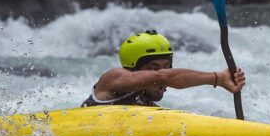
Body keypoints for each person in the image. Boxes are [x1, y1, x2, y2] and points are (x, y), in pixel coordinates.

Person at [82, 30, 245, 107]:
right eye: (153, 67)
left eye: (167, 66)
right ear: (133, 68)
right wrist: (218, 78)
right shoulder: (114, 78)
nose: (163, 73)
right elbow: (161, 77)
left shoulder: (147, 106)